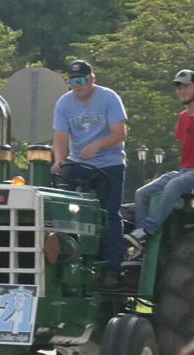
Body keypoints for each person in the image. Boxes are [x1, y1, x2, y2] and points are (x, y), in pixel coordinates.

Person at [124, 69, 194, 251]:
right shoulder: (183, 117)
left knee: (174, 185)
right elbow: (187, 153)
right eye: (179, 87)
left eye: (187, 86)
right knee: (142, 193)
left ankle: (148, 230)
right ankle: (140, 240)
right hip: (186, 171)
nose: (182, 91)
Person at [52, 59, 128, 288]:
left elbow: (119, 133)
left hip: (109, 163)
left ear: (92, 79)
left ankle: (113, 269)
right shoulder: (64, 104)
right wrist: (59, 160)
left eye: (82, 79)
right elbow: (61, 137)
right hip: (78, 163)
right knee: (58, 205)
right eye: (73, 80)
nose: (78, 85)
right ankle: (61, 257)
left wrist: (97, 146)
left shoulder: (109, 98)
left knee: (109, 214)